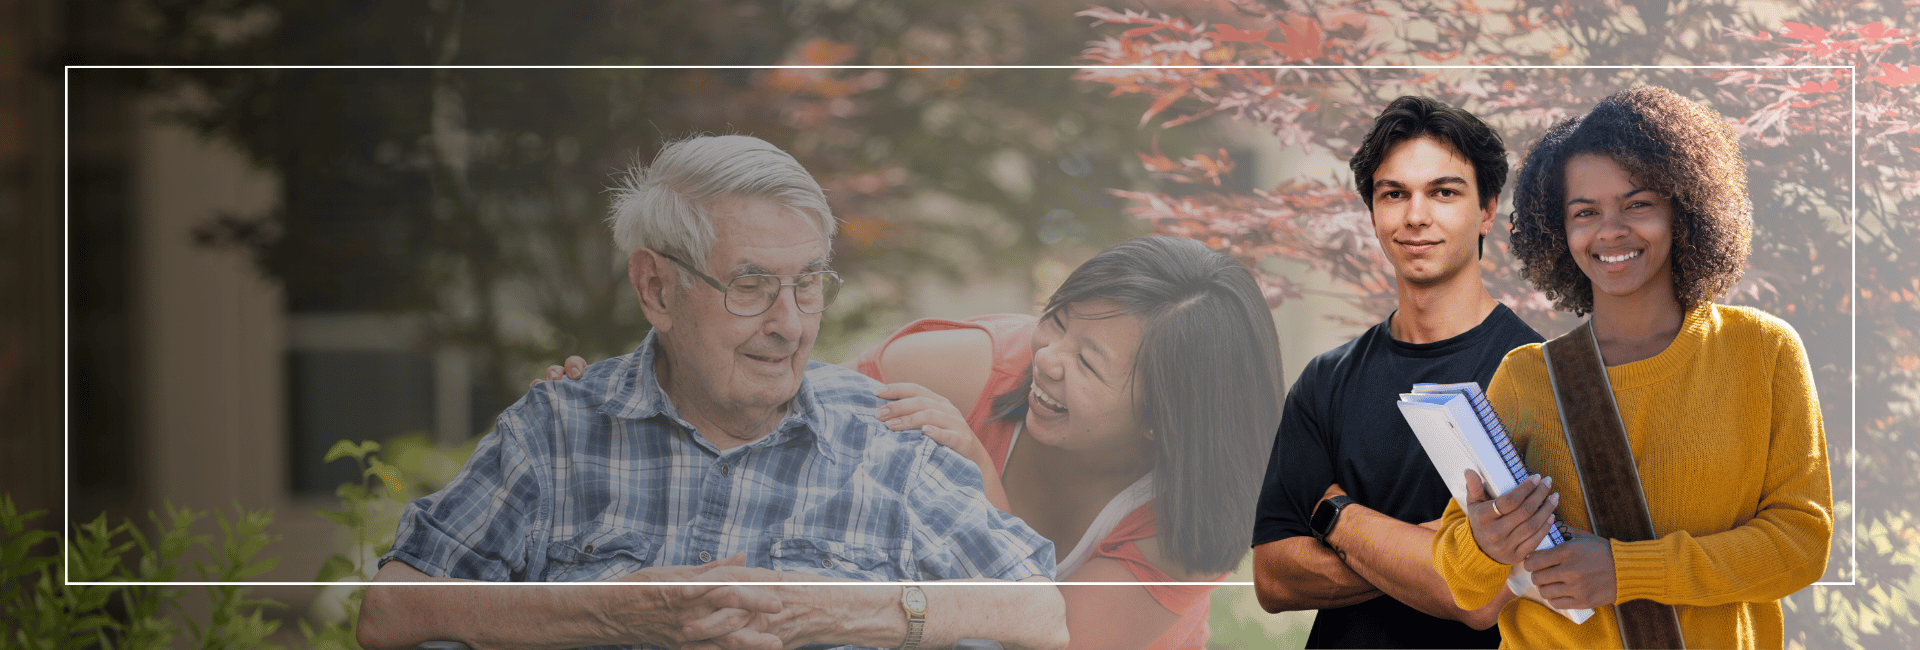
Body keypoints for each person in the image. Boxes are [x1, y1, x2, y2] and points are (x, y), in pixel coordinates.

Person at [356, 135, 1067, 650]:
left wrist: (848, 611)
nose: (788, 325)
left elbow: (1042, 615)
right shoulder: (559, 431)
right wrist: (608, 615)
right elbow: (392, 611)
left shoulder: (887, 440)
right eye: (751, 286)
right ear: (656, 289)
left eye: (808, 284)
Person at [544, 235, 1285, 650]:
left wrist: (980, 489)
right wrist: (627, 401)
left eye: (1089, 363)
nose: (1047, 359)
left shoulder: (1183, 525)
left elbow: (1044, 638)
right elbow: (773, 434)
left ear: (1165, 417)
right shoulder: (959, 370)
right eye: (1056, 322)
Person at [1432, 86, 1832, 649]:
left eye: (1638, 204)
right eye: (1585, 212)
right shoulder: (1525, 378)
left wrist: (1625, 571)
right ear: (1558, 230)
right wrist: (1486, 543)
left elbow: (1801, 545)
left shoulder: (1762, 352)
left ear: (1683, 209)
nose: (1610, 230)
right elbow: (1462, 581)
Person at [1250, 95, 1543, 648]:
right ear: (1373, 212)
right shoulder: (1324, 381)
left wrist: (1337, 518)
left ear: (1487, 210)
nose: (1415, 216)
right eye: (1394, 194)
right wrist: (1426, 552)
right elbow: (1272, 577)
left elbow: (1476, 598)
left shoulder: (1534, 376)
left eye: (1443, 192)